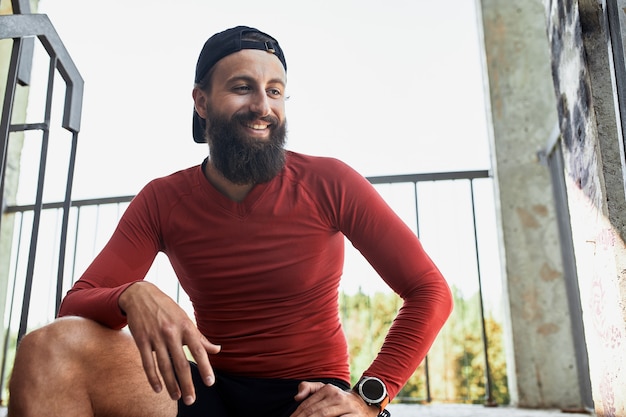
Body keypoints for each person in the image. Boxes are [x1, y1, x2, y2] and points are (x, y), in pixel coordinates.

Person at [7, 26, 453, 417]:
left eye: (275, 91)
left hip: (309, 397)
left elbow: (429, 291)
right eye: (243, 87)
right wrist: (132, 294)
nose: (263, 105)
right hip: (208, 390)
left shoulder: (329, 180)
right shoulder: (163, 199)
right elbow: (76, 305)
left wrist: (369, 398)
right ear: (202, 101)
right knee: (49, 350)